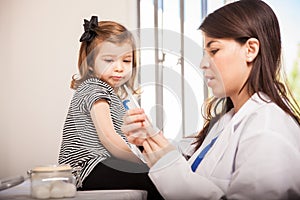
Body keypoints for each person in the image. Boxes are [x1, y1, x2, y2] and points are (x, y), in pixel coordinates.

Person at [121, 0, 300, 199]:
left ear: (250, 49)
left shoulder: (268, 128)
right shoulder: (226, 123)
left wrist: (170, 170)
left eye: (214, 51)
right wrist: (147, 140)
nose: (203, 64)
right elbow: (188, 168)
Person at [58, 16, 163, 200]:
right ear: (90, 63)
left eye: (126, 61)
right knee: (155, 179)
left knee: (159, 176)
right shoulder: (94, 87)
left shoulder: (113, 94)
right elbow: (109, 139)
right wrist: (144, 163)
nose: (119, 68)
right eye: (109, 60)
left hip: (102, 164)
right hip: (86, 169)